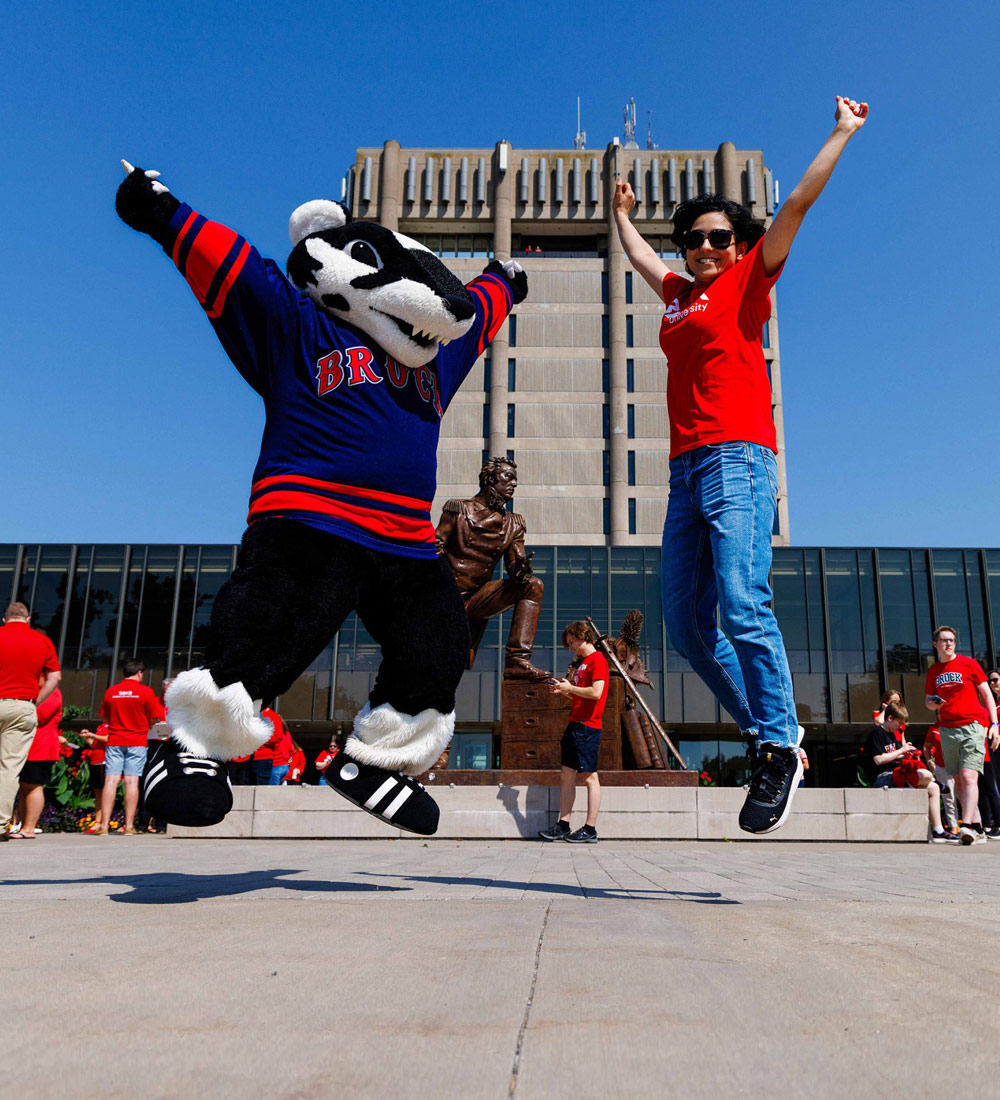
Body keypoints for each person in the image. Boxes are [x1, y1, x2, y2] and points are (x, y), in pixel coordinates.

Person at [612, 95, 869, 834]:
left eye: (716, 236)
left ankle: (780, 743)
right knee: (688, 627)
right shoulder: (679, 295)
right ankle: (766, 730)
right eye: (692, 238)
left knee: (741, 600)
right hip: (685, 470)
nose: (702, 247)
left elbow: (798, 201)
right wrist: (620, 209)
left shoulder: (750, 279)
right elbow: (635, 254)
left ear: (737, 240)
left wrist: (841, 132)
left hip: (738, 459)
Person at [435, 457, 551, 680]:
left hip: (476, 598)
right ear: (489, 479)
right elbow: (435, 546)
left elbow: (516, 571)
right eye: (508, 477)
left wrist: (522, 569)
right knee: (437, 662)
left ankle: (517, 660)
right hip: (444, 595)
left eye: (515, 480)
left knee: (533, 586)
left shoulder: (513, 523)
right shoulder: (458, 509)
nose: (514, 484)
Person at [925, 626, 999, 845]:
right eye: (944, 640)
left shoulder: (969, 664)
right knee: (957, 779)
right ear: (935, 644)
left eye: (952, 640)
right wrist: (932, 703)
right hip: (947, 729)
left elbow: (987, 693)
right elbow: (928, 701)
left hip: (973, 725)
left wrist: (994, 724)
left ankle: (965, 826)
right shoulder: (934, 671)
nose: (949, 643)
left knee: (969, 777)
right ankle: (977, 827)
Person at [538, 621, 610, 844]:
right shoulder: (584, 663)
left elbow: (597, 693)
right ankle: (563, 825)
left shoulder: (597, 660)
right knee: (566, 775)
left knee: (589, 777)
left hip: (588, 726)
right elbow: (583, 695)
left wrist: (570, 688)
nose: (570, 647)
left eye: (571, 642)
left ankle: (590, 829)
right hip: (576, 724)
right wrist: (564, 691)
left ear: (582, 636)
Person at [0, 602, 61, 840]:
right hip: (21, 705)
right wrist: (34, 702)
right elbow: (55, 676)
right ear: (27, 620)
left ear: (5, 620)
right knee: (8, 768)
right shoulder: (41, 640)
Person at [864, 703, 951, 843]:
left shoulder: (894, 735)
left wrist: (906, 755)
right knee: (924, 775)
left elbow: (895, 756)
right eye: (899, 723)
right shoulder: (876, 733)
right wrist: (901, 751)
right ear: (890, 718)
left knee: (933, 788)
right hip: (883, 777)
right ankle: (936, 781)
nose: (900, 727)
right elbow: (878, 760)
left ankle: (938, 830)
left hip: (899, 773)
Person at [98, 658, 165, 835]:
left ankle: (104, 826)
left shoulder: (111, 691)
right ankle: (128, 825)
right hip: (137, 741)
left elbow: (105, 718)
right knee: (132, 781)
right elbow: (153, 719)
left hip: (114, 740)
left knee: (110, 781)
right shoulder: (146, 692)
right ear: (140, 673)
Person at [10, 681, 65, 839]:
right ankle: (20, 825)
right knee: (24, 787)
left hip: (41, 746)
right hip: (26, 745)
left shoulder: (51, 693)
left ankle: (29, 827)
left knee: (33, 786)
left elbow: (39, 716)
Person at [922, 723, 958, 834]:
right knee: (949, 797)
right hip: (942, 766)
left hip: (959, 765)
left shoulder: (958, 724)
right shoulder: (934, 728)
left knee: (965, 795)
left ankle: (973, 824)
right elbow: (926, 746)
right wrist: (929, 761)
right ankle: (954, 826)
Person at [80, 722, 109, 832]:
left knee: (105, 792)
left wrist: (92, 735)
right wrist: (87, 738)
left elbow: (108, 739)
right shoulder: (101, 726)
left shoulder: (113, 724)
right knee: (97, 792)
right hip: (95, 761)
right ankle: (98, 821)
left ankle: (104, 822)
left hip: (104, 761)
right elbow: (95, 744)